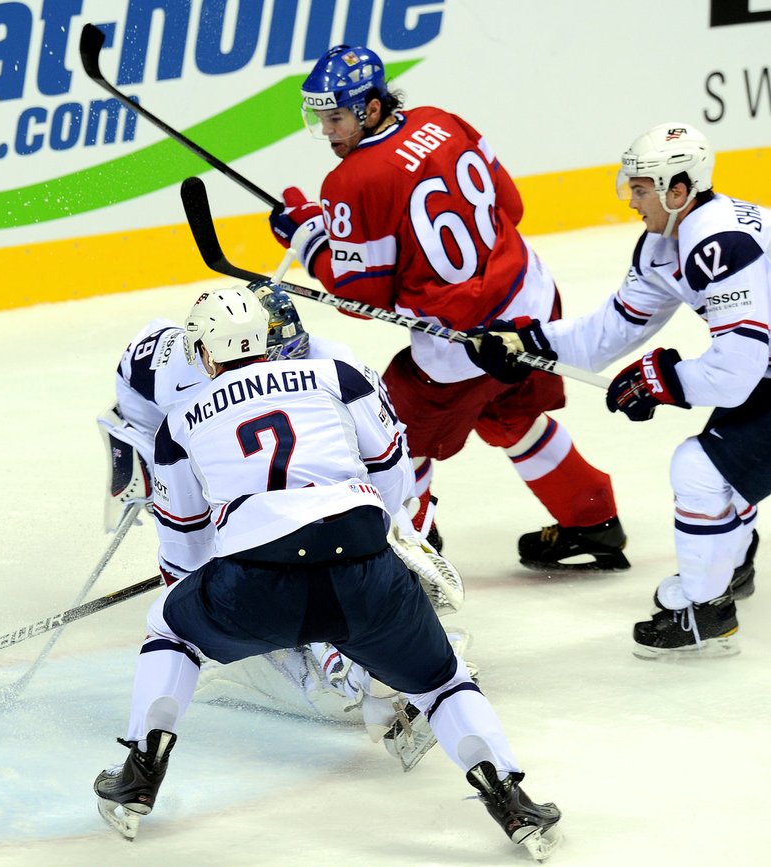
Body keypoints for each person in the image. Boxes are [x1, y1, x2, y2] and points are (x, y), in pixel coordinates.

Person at [93, 286, 562, 860]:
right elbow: (392, 467)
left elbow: (185, 548)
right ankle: (513, 803)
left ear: (203, 353)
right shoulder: (337, 374)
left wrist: (209, 587)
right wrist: (397, 536)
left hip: (255, 583)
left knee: (168, 628)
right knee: (444, 681)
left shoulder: (178, 424)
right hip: (363, 569)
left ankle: (140, 774)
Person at [268, 44, 629, 572]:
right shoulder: (443, 120)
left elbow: (360, 298)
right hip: (533, 300)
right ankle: (590, 515)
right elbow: (513, 206)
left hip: (466, 343)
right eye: (321, 118)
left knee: (392, 433)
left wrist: (307, 236)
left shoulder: (352, 181)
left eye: (337, 117)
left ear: (370, 108)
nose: (328, 131)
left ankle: (415, 555)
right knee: (512, 414)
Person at [96, 279, 467, 770]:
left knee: (315, 566)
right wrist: (143, 460)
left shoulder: (333, 363)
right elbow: (129, 405)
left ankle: (360, 656)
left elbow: (384, 471)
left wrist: (398, 533)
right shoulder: (169, 363)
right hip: (193, 461)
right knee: (263, 580)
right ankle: (363, 662)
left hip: (296, 506)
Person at [467, 122, 764, 659]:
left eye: (642, 188)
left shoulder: (719, 244)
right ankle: (729, 558)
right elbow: (610, 333)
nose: (632, 200)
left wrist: (660, 381)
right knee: (724, 463)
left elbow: (735, 373)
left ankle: (704, 613)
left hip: (760, 371)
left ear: (679, 190)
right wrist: (527, 343)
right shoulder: (665, 243)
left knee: (700, 469)